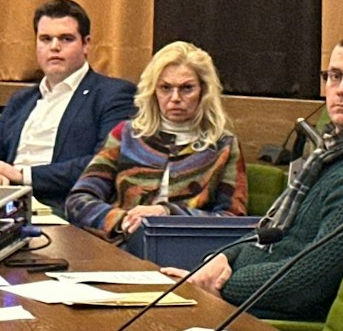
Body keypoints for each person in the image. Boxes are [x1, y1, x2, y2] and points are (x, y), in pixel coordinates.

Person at [168, 33, 343, 322]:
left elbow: (309, 279)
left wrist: (218, 285)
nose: (342, 90)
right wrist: (222, 259)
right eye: (334, 76)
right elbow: (270, 234)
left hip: (274, 323)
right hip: (245, 301)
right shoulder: (332, 153)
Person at [0, 0, 138, 208]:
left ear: (86, 44)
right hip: (7, 202)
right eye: (45, 39)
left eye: (66, 39)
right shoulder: (23, 100)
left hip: (63, 208)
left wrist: (21, 175)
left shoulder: (113, 94)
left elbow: (102, 164)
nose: (54, 47)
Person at [64, 41, 248, 241]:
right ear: (153, 91)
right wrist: (123, 220)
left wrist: (169, 214)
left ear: (204, 92)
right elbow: (78, 201)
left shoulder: (223, 145)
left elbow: (232, 220)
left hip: (188, 249)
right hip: (123, 244)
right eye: (165, 88)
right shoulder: (126, 135)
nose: (175, 98)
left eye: (187, 88)